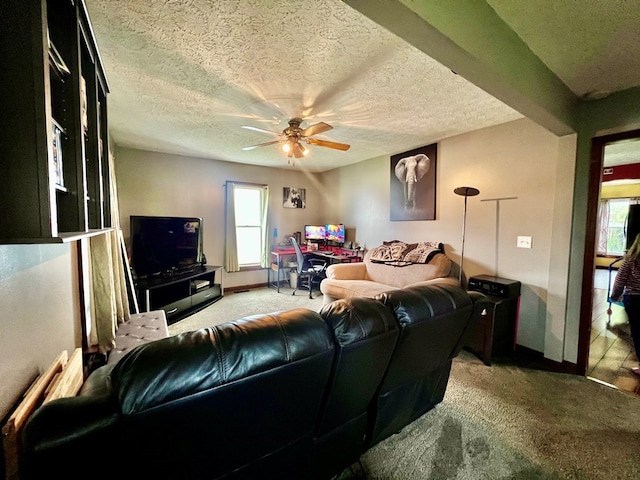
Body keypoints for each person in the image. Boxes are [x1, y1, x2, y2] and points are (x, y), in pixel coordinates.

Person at [611, 232, 640, 376]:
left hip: (634, 300)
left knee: (637, 332)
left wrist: (615, 295)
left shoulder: (631, 260)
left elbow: (620, 280)